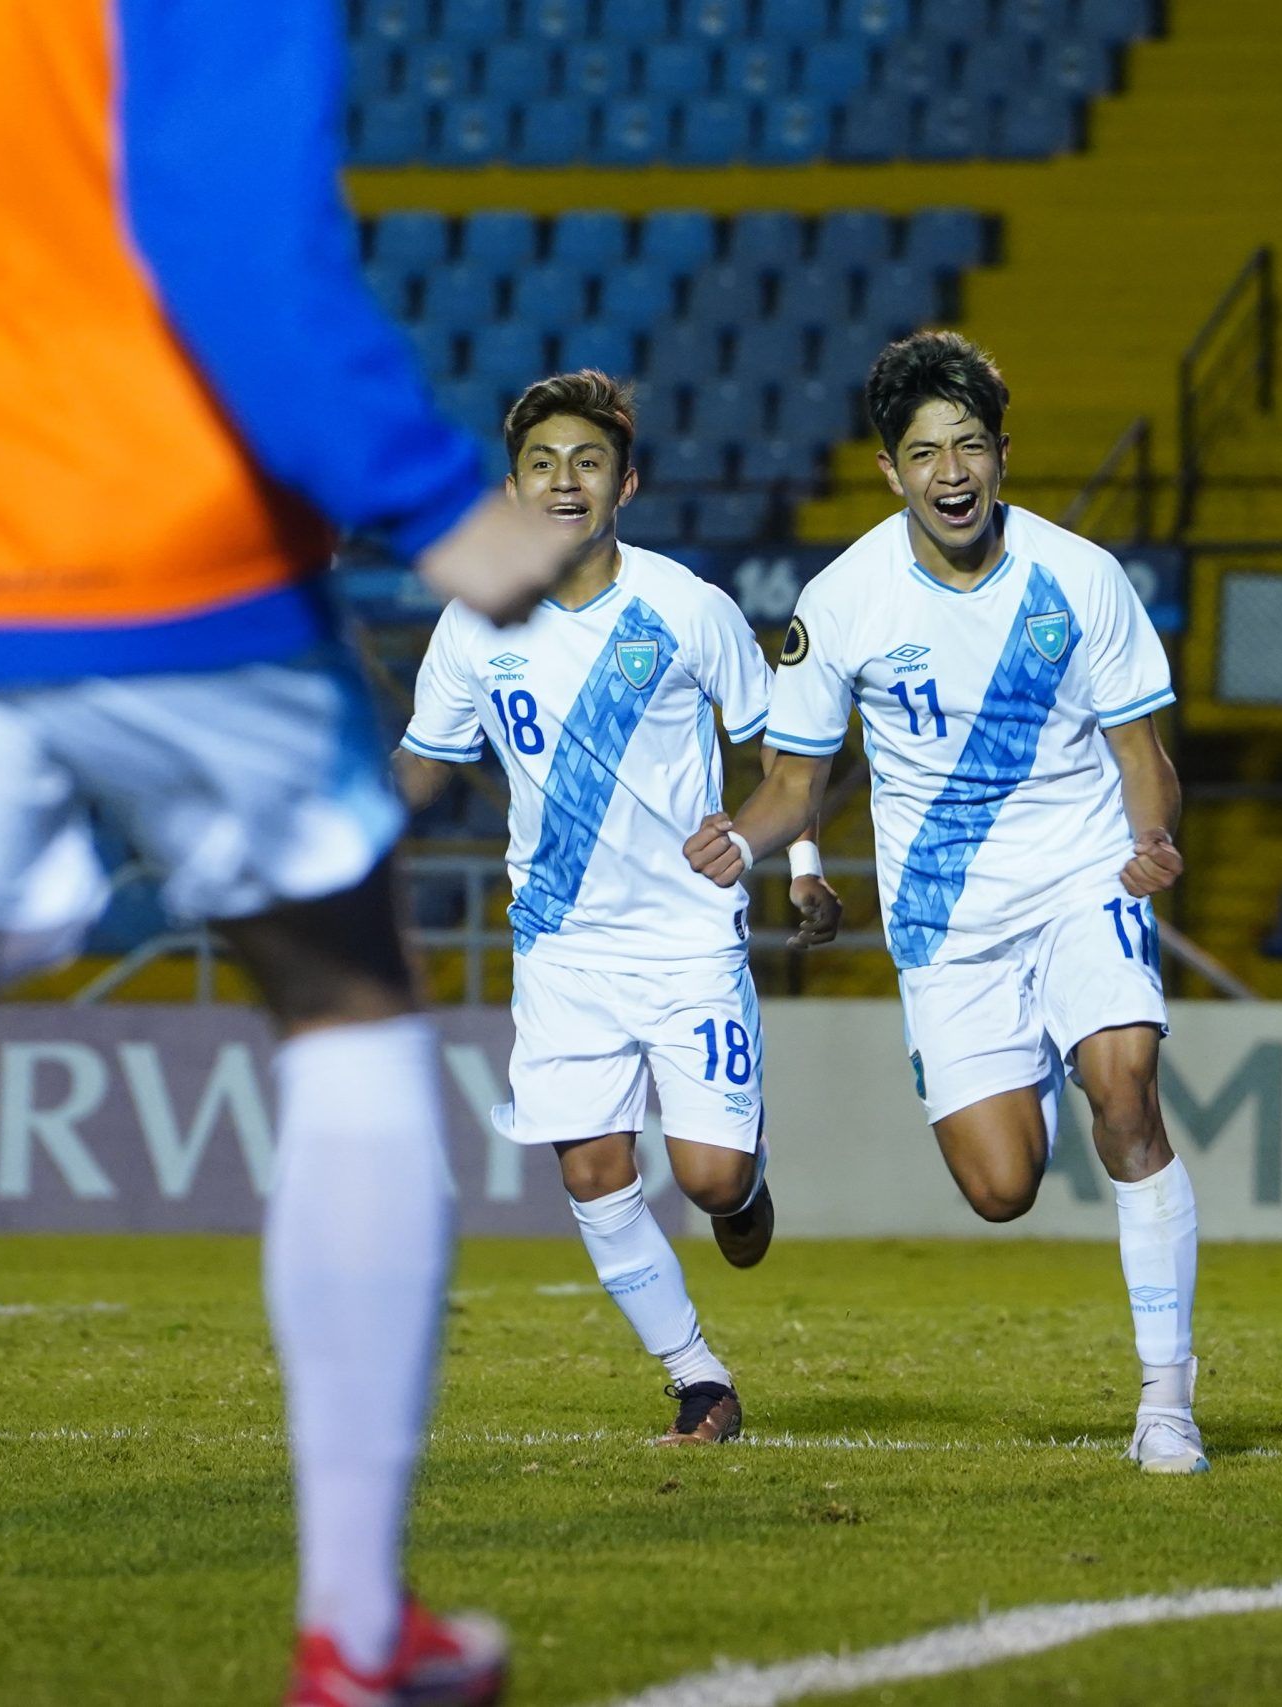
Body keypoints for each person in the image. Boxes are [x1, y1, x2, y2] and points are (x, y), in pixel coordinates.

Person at [0, 6, 576, 1703]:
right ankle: (359, 1628)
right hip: (163, 544)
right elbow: (228, 228)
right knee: (345, 998)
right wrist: (437, 497)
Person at [682, 332, 1210, 1475]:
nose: (951, 471)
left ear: (1003, 454)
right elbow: (791, 783)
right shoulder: (844, 601)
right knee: (1001, 1188)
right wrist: (740, 838)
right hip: (945, 925)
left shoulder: (1080, 577)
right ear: (891, 472)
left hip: (1081, 879)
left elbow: (1140, 753)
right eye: (925, 452)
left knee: (1127, 1093)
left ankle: (1166, 1399)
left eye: (970, 444)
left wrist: (1153, 836)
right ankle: (1045, 1071)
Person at [395, 370, 840, 1450]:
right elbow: (424, 761)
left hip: (687, 939)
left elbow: (782, 753)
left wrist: (796, 860)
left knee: (710, 1179)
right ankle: (699, 1380)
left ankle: (744, 1188)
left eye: (586, 462)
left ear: (624, 484)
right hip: (560, 946)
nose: (563, 480)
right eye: (542, 463)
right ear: (513, 488)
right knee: (594, 1175)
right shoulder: (474, 621)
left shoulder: (688, 608)